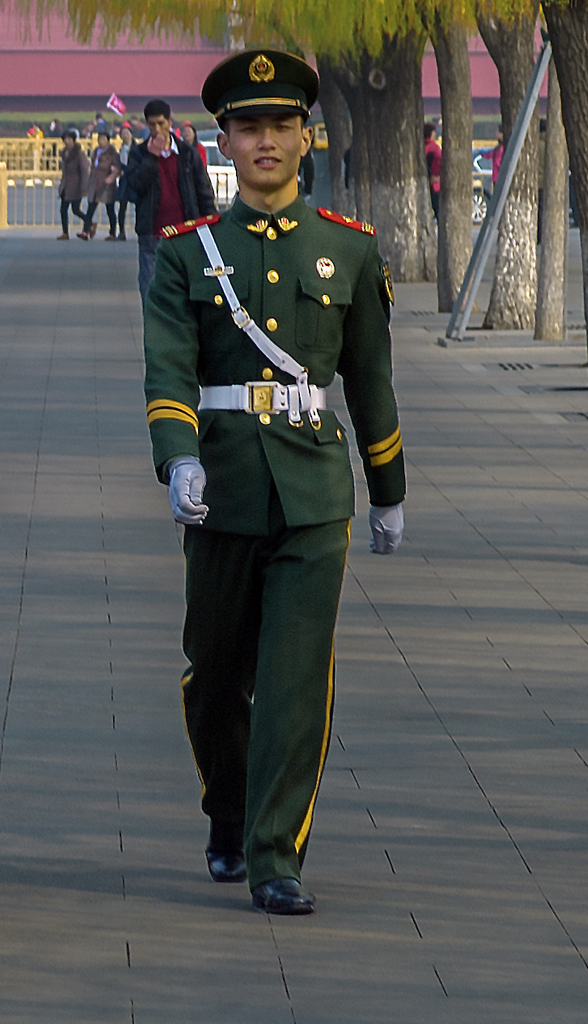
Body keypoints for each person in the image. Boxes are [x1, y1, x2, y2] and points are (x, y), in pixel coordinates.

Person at [143, 49, 406, 919]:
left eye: (280, 125)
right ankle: (230, 806)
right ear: (223, 140)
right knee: (213, 675)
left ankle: (274, 852)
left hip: (313, 493)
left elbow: (369, 381)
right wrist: (178, 455)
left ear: (305, 137)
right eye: (248, 126)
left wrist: (390, 489)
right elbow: (169, 368)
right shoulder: (188, 256)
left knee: (295, 677)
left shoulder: (348, 250)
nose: (264, 140)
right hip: (221, 482)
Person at [124, 97, 218, 297]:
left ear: (169, 122)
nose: (157, 129)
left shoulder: (187, 154)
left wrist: (212, 226)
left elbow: (203, 192)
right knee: (151, 292)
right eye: (152, 124)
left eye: (161, 123)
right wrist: (151, 158)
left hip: (185, 233)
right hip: (152, 233)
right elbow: (133, 188)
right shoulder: (139, 154)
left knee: (186, 293)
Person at [84, 128, 122, 239]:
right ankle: (85, 230)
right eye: (100, 139)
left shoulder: (112, 154)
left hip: (106, 184)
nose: (102, 141)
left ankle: (112, 232)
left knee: (110, 209)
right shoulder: (96, 151)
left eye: (104, 139)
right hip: (95, 183)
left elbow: (117, 168)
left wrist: (112, 176)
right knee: (91, 207)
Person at [57, 129, 90, 240]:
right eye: (65, 139)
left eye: (69, 139)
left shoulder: (79, 154)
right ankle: (65, 232)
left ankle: (89, 221)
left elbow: (84, 170)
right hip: (66, 185)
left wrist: (84, 186)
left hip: (76, 186)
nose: (67, 141)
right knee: (63, 209)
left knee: (75, 209)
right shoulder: (65, 153)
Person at [109, 123, 135, 241]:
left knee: (139, 206)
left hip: (135, 178)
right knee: (122, 206)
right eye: (123, 134)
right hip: (124, 179)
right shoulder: (121, 149)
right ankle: (122, 231)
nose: (125, 136)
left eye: (127, 133)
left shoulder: (137, 148)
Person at [424, 122, 443, 219]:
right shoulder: (435, 148)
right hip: (434, 184)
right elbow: (441, 164)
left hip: (421, 184)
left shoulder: (420, 147)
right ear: (431, 133)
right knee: (438, 212)